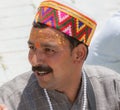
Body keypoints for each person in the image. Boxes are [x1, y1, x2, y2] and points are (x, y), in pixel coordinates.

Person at [0, 0, 120, 110]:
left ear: (79, 54)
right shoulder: (10, 101)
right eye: (32, 48)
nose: (35, 61)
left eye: (49, 50)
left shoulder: (112, 88)